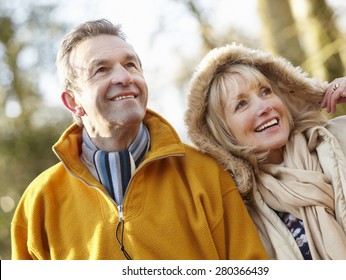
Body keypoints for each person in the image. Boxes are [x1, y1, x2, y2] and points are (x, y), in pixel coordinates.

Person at [10, 20, 268, 260]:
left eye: (131, 65)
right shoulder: (38, 203)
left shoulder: (206, 175)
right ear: (73, 102)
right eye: (101, 69)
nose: (124, 77)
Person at [185, 43, 346, 260]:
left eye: (265, 91)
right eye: (241, 104)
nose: (264, 107)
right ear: (222, 132)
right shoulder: (242, 217)